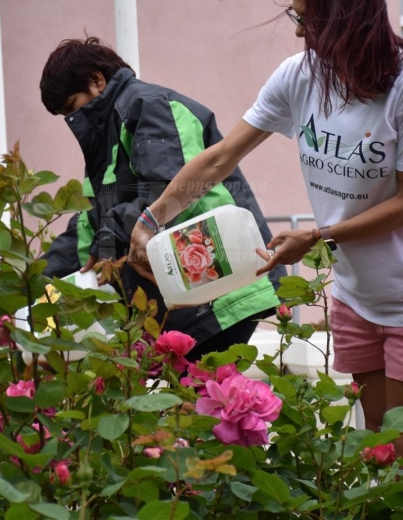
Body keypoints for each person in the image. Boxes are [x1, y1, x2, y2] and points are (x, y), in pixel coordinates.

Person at [127, 0, 403, 476]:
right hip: (360, 295)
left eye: (308, 19)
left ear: (346, 17)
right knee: (376, 446)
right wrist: (153, 219)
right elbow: (221, 157)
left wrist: (317, 237)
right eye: (297, 16)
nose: (298, 31)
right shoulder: (301, 75)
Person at [38, 37, 285, 362]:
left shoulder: (148, 105)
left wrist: (109, 239)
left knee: (203, 404)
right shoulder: (107, 144)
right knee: (196, 406)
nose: (73, 121)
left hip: (222, 289)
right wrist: (38, 279)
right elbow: (91, 226)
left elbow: (171, 183)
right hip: (187, 299)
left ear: (97, 80)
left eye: (73, 106)